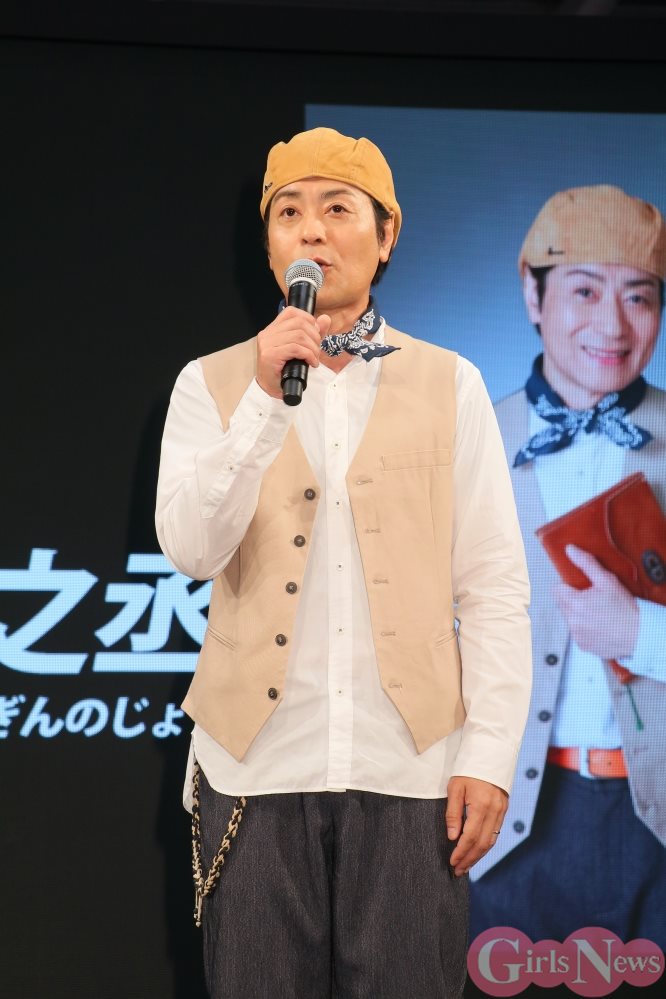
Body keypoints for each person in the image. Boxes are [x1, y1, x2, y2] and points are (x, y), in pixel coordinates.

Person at [155, 126, 532, 999]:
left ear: (386, 234)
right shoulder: (209, 384)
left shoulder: (452, 383)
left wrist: (488, 754)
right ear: (269, 244)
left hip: (412, 771)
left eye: (337, 209)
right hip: (252, 767)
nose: (313, 232)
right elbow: (191, 548)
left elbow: (493, 588)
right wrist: (263, 398)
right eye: (288, 213)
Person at [470, 185, 666, 948]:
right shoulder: (470, 441)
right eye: (585, 291)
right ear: (533, 293)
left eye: (639, 296)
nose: (612, 326)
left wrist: (639, 631)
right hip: (505, 827)